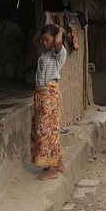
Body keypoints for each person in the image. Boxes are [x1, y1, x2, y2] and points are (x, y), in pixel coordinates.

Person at [31, 23, 67, 181]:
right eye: (43, 40)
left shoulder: (58, 53)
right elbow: (35, 40)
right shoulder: (44, 53)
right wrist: (44, 30)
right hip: (42, 95)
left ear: (55, 39)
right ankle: (58, 163)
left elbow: (58, 42)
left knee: (47, 131)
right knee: (49, 129)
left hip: (49, 96)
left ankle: (52, 169)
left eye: (47, 39)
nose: (43, 42)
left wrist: (60, 30)